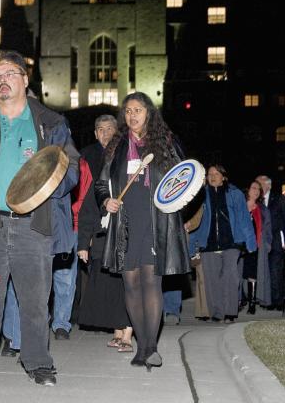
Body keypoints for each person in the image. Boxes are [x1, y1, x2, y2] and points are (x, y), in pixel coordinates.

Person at [0, 50, 79, 389]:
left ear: (24, 79)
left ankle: (38, 362)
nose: (2, 80)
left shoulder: (50, 122)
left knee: (35, 300)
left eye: (9, 73)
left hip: (33, 224)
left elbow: (72, 169)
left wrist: (48, 185)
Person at [95, 92, 189, 371]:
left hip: (155, 222)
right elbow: (101, 184)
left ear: (149, 112)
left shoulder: (166, 143)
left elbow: (184, 179)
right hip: (126, 223)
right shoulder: (117, 145)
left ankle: (149, 347)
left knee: (151, 282)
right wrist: (105, 200)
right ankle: (143, 344)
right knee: (131, 284)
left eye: (138, 110)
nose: (132, 115)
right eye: (127, 111)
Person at [77, 114, 134, 352]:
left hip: (127, 232)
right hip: (103, 232)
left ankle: (128, 334)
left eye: (111, 129)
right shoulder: (94, 163)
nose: (106, 133)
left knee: (126, 283)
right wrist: (83, 243)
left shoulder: (130, 161)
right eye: (101, 129)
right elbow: (88, 206)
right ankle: (117, 330)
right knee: (108, 284)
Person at [189, 165, 256, 323]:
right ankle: (217, 312)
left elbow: (244, 219)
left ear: (224, 177)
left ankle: (230, 312)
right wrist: (192, 245)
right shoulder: (200, 195)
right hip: (208, 243)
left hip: (231, 243)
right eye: (209, 174)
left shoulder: (235, 194)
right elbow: (194, 220)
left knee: (231, 277)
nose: (212, 176)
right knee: (212, 280)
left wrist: (250, 242)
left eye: (216, 173)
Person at [255, 175, 285, 311]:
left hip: (276, 240)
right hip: (260, 241)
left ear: (268, 185)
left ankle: (278, 300)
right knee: (264, 271)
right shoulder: (256, 200)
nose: (258, 186)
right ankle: (267, 300)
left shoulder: (279, 198)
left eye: (260, 184)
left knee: (275, 271)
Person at [242, 179, 272, 315]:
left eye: (258, 189)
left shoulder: (262, 209)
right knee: (239, 274)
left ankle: (252, 303)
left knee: (252, 274)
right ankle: (240, 299)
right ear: (248, 189)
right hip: (240, 245)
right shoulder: (240, 205)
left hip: (255, 245)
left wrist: (267, 244)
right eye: (253, 188)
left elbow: (268, 229)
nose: (255, 191)